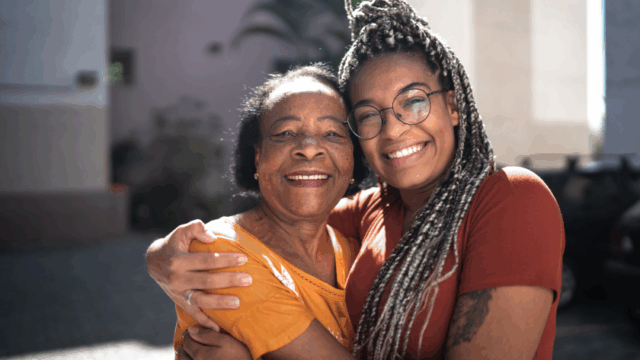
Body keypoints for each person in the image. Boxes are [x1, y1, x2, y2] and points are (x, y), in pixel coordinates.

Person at [146, 1, 565, 359]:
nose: (395, 129)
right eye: (368, 114)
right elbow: (286, 218)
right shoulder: (374, 211)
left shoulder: (511, 198)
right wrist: (163, 258)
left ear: (454, 107)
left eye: (413, 102)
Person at [170, 64, 373, 360]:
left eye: (332, 133)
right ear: (257, 157)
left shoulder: (358, 253)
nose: (309, 148)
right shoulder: (218, 254)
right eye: (285, 132)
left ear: (353, 160)